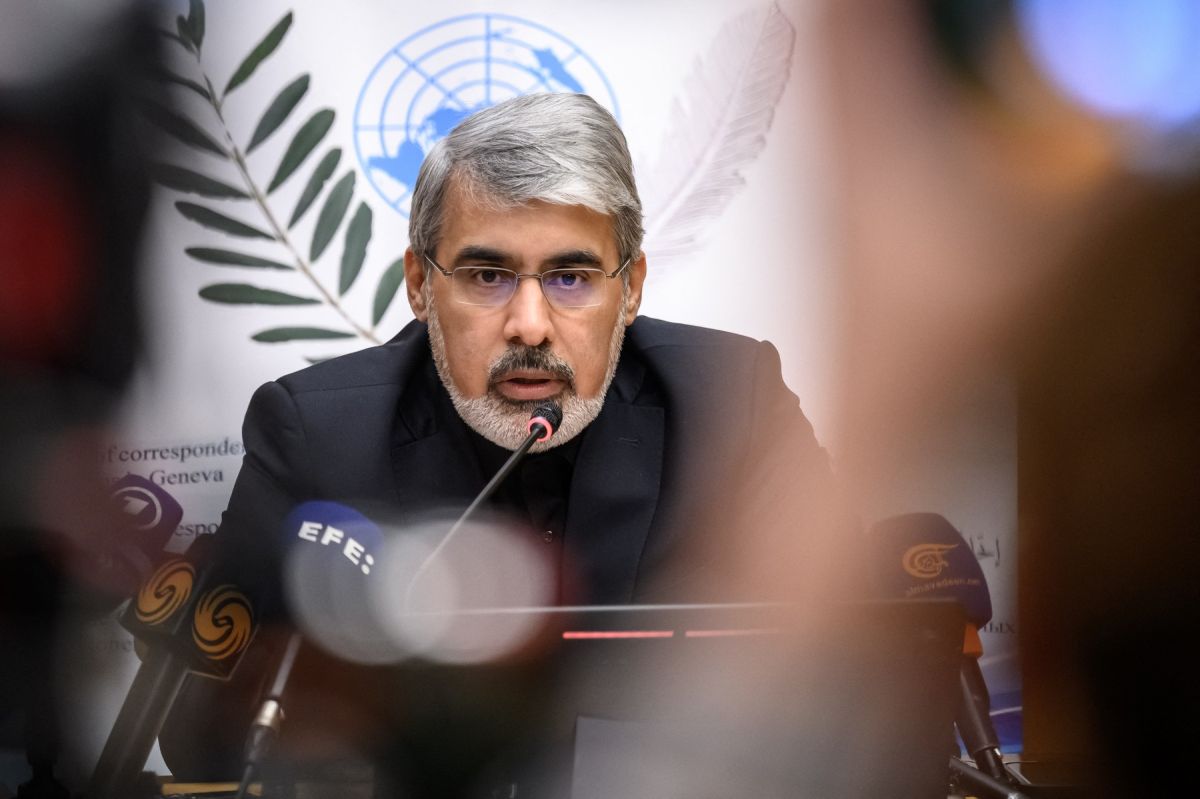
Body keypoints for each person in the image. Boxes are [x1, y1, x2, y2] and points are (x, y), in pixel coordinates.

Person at [162, 92, 835, 791]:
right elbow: (203, 724)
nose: (530, 325)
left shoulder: (733, 407)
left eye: (571, 277)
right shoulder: (316, 435)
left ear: (631, 289)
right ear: (420, 285)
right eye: (488, 276)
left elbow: (849, 677)